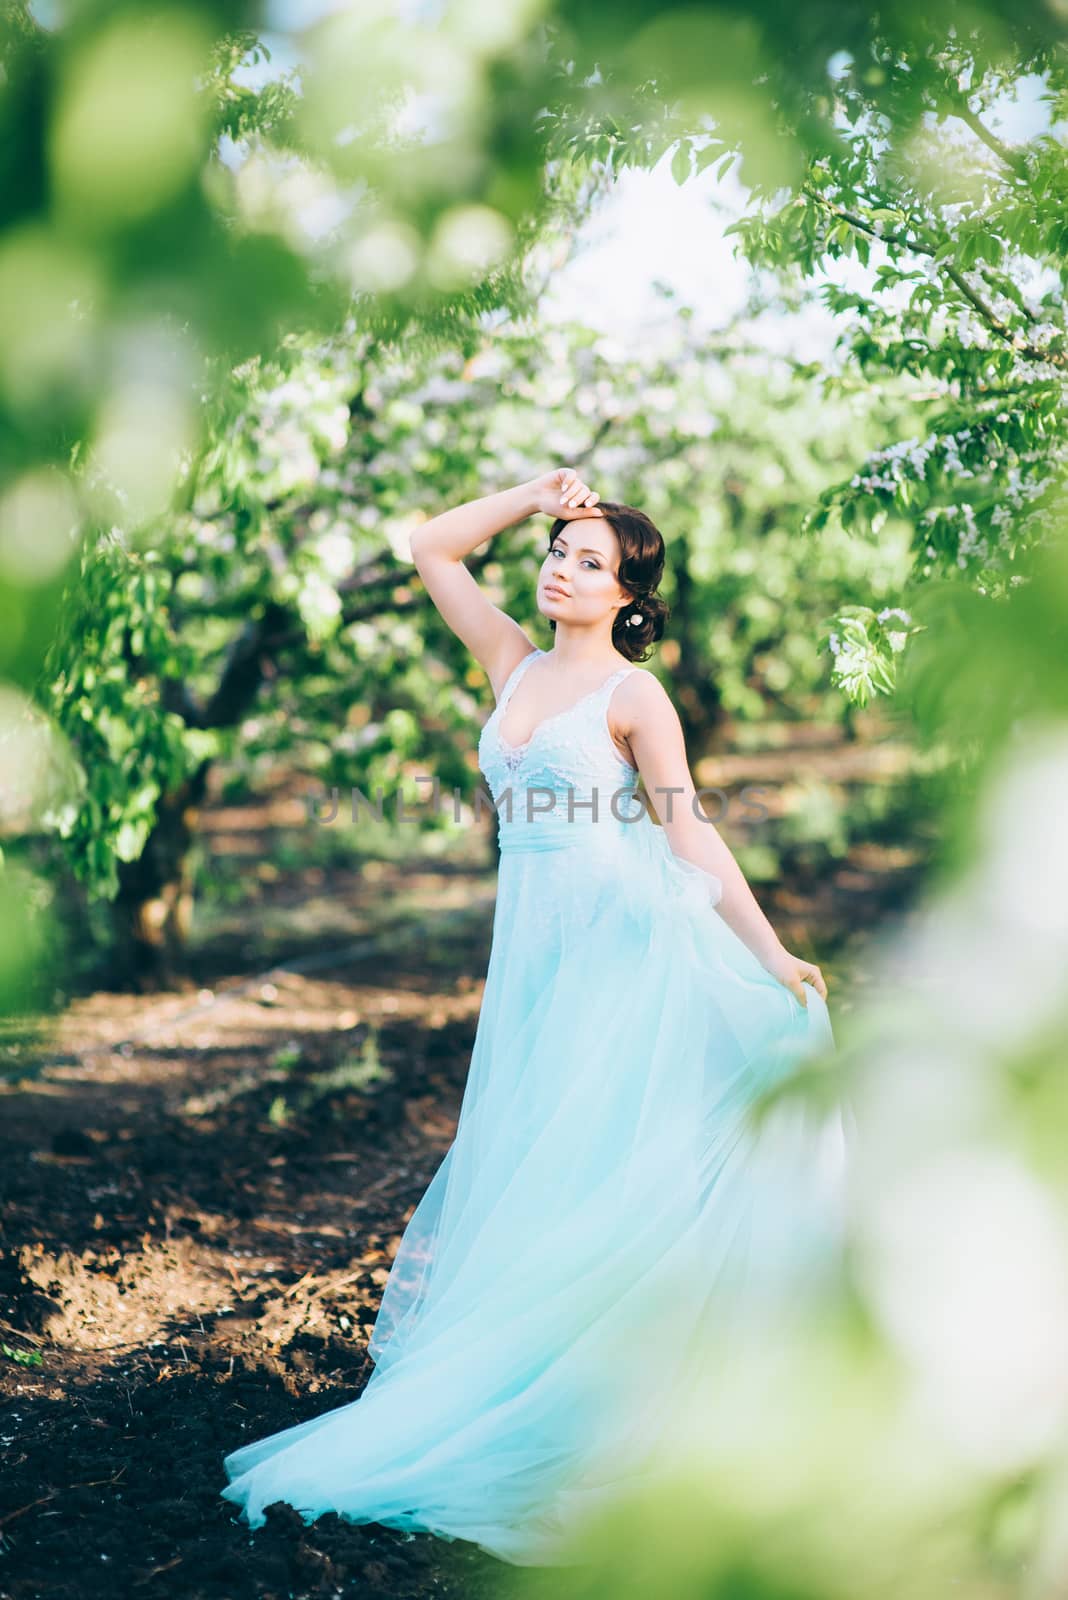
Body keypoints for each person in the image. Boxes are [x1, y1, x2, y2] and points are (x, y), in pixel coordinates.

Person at [220, 466, 849, 1565]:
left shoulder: (633, 697)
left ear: (628, 596)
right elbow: (429, 544)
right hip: (535, 952)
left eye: (590, 561)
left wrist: (772, 947)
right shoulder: (512, 662)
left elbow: (690, 833)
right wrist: (532, 492)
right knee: (534, 1157)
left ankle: (613, 1399)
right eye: (561, 552)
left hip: (621, 943)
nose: (564, 568)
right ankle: (543, 1374)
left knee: (602, 1159)